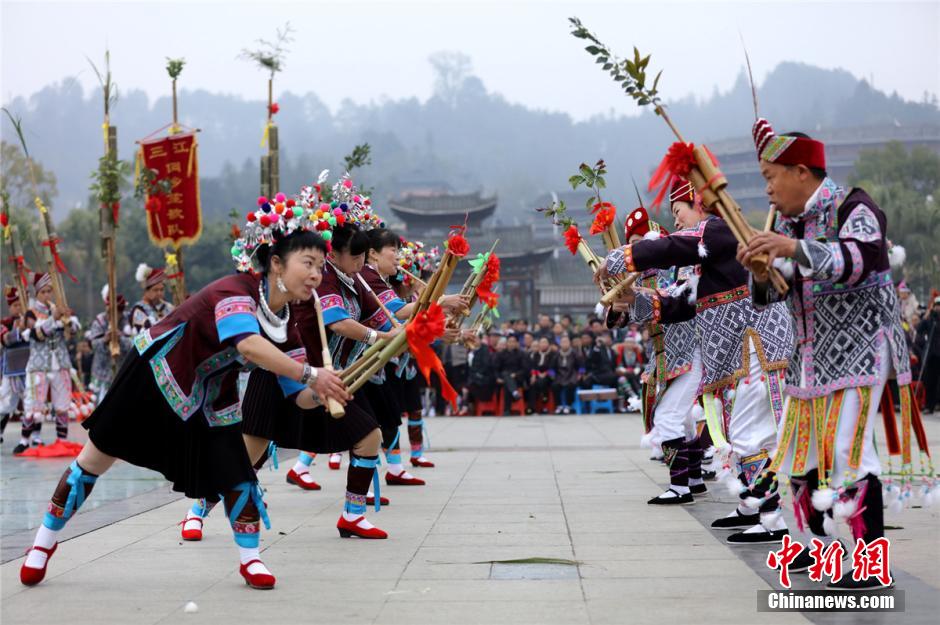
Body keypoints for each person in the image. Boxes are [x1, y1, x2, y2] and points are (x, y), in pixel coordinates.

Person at [20, 202, 341, 589]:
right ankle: (44, 541)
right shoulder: (234, 290)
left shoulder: (288, 326)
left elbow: (297, 396)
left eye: (321, 267)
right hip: (156, 373)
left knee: (236, 467)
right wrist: (311, 374)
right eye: (308, 263)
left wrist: (326, 391)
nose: (316, 275)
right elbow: (249, 346)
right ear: (276, 264)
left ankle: (250, 557)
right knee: (96, 456)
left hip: (210, 393)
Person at [740, 119, 913, 589]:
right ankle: (820, 551)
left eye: (771, 176)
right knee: (798, 455)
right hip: (808, 358)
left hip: (860, 351)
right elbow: (773, 296)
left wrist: (793, 248)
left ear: (801, 172)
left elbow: (859, 260)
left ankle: (869, 566)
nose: (769, 190)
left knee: (848, 453)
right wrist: (761, 272)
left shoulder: (853, 207)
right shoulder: (790, 225)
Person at [602, 170, 795, 543]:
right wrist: (632, 300)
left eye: (679, 211)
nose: (676, 221)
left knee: (749, 434)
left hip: (755, 348)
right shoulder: (706, 254)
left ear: (699, 204)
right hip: (737, 354)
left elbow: (672, 246)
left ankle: (772, 520)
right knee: (734, 430)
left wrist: (622, 257)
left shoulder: (717, 231)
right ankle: (752, 506)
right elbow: (679, 303)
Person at [16, 273, 81, 453]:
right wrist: (54, 319)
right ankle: (24, 440)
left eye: (49, 291)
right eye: (43, 292)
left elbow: (74, 330)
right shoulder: (30, 313)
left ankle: (62, 440)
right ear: (37, 293)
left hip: (60, 363)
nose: (47, 295)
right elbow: (37, 334)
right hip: (39, 365)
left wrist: (67, 319)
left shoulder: (59, 308)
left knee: (62, 405)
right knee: (34, 404)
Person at [86, 286, 133, 404]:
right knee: (101, 406)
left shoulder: (129, 320)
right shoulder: (99, 321)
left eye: (116, 312)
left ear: (121, 311)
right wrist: (105, 340)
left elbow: (136, 345)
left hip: (122, 371)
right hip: (102, 371)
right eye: (109, 312)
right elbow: (93, 345)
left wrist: (120, 337)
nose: (112, 315)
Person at [1, 287, 29, 443]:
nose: (18, 308)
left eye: (21, 305)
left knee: (31, 405)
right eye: (15, 305)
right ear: (10, 307)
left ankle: (30, 439)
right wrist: (19, 329)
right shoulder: (4, 323)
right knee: (6, 406)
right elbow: (6, 339)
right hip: (11, 370)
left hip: (30, 369)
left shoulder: (33, 320)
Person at [129, 264, 174, 333]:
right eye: (155, 290)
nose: (159, 293)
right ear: (146, 291)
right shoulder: (138, 309)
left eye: (161, 290)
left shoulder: (169, 307)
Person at [915, 297, 940, 413]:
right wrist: (926, 316)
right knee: (930, 381)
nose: (938, 307)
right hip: (931, 354)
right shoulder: (930, 319)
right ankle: (929, 406)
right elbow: (919, 329)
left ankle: (937, 404)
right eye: (937, 305)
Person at [495, 334, 528, 412]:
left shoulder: (522, 354)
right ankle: (515, 393)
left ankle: (507, 409)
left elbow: (525, 369)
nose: (511, 343)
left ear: (517, 343)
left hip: (518, 378)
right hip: (504, 378)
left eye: (514, 342)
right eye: (510, 341)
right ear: (507, 343)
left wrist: (516, 374)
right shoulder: (501, 354)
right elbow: (496, 368)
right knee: (506, 375)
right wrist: (497, 378)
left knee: (507, 382)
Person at [527, 336, 557, 414]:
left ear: (548, 344)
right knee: (532, 384)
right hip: (538, 375)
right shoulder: (536, 354)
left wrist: (545, 373)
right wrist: (534, 375)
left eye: (545, 342)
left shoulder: (553, 354)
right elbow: (533, 367)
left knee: (542, 380)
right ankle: (532, 408)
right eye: (541, 342)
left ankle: (545, 396)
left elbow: (553, 366)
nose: (543, 344)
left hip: (550, 374)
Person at [553, 335, 581, 414]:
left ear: (569, 343)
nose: (564, 344)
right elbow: (551, 367)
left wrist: (580, 374)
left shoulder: (575, 353)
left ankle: (568, 405)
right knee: (555, 385)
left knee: (571, 385)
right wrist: (551, 375)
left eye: (566, 342)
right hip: (559, 375)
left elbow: (581, 366)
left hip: (571, 374)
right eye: (563, 342)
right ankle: (559, 406)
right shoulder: (556, 354)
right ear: (560, 344)